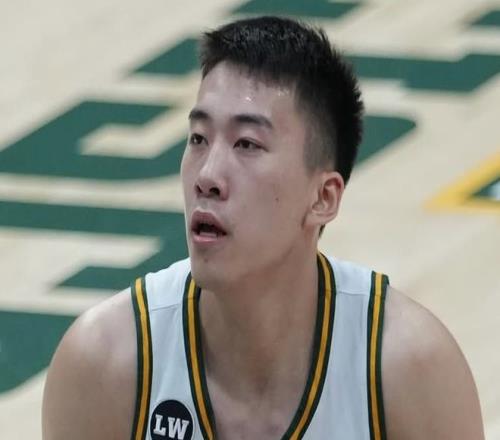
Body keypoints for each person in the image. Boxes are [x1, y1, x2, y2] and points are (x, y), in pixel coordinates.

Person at [42, 16, 484, 440]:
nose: (207, 176)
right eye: (198, 139)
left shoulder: (407, 369)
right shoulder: (106, 362)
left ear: (323, 197)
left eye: (247, 144)